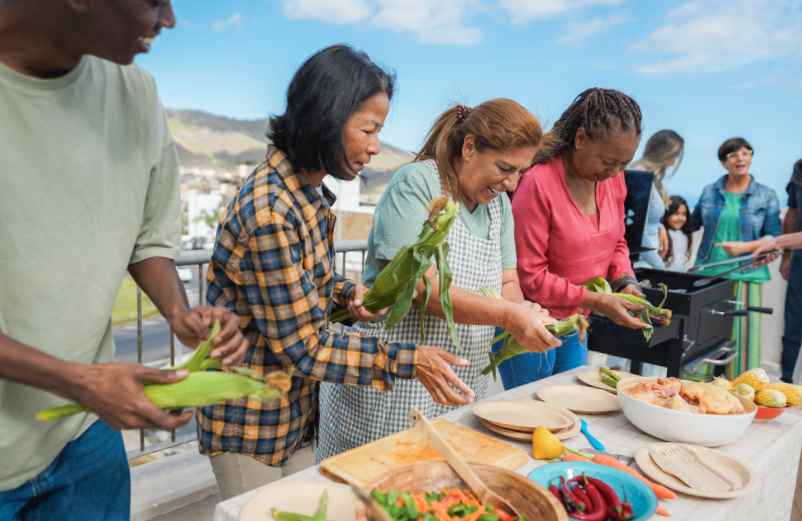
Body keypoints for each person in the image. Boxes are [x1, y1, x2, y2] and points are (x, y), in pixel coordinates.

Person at [0, 2, 247, 520]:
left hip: (86, 434)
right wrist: (78, 381)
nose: (169, 19)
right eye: (155, 0)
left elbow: (148, 239)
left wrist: (181, 314)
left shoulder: (135, 93)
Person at [199, 45, 474, 499]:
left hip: (294, 414)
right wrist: (409, 359)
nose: (375, 146)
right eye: (369, 129)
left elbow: (302, 282)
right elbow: (304, 347)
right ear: (325, 117)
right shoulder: (270, 212)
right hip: (250, 424)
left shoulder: (305, 195)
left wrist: (347, 294)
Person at [316, 99, 562, 460]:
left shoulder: (499, 206)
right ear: (469, 147)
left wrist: (526, 315)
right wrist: (509, 316)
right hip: (395, 380)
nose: (511, 183)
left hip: (460, 381)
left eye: (519, 172)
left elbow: (508, 281)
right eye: (504, 168)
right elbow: (421, 287)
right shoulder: (416, 183)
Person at [504, 88, 647, 389]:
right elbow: (531, 277)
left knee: (570, 403)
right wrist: (597, 300)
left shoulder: (613, 180)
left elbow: (617, 242)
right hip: (532, 323)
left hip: (577, 321)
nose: (614, 172)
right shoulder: (537, 184)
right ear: (580, 138)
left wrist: (626, 282)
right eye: (607, 161)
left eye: (623, 164)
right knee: (530, 410)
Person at [690, 137, 781, 378]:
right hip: (709, 272)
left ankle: (740, 387)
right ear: (724, 162)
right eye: (733, 155)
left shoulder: (767, 195)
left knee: (743, 341)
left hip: (747, 273)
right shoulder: (709, 191)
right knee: (703, 336)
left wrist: (744, 248)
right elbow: (691, 223)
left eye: (746, 153)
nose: (741, 158)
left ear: (751, 158)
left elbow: (774, 237)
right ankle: (697, 386)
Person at [720, 159, 802, 382]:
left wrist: (775, 242)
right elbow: (793, 214)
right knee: (794, 323)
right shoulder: (799, 169)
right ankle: (788, 380)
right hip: (798, 257)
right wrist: (779, 246)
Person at [629, 130, 685, 270]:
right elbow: (635, 230)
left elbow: (645, 217)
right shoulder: (639, 174)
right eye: (675, 153)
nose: (676, 159)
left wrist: (660, 226)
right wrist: (659, 266)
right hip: (640, 262)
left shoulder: (652, 176)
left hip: (648, 259)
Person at [662, 196, 694, 272]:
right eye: (676, 214)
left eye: (684, 214)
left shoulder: (686, 234)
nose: (680, 218)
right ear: (666, 214)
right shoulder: (661, 234)